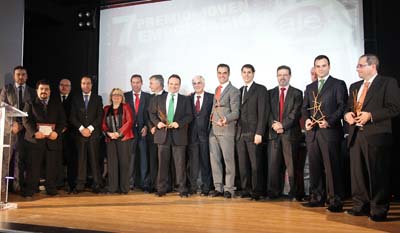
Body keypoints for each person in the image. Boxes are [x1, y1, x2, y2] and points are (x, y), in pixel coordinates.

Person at [344, 54, 400, 221]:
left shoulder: (388, 83)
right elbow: (348, 107)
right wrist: (347, 115)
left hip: (376, 136)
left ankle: (378, 210)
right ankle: (360, 206)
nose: (357, 68)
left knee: (377, 174)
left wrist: (371, 115)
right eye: (357, 66)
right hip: (356, 136)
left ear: (373, 66)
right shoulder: (354, 86)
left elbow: (395, 108)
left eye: (361, 65)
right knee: (357, 175)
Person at [301, 55, 348, 212]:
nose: (320, 69)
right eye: (318, 66)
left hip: (330, 132)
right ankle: (317, 198)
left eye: (323, 65)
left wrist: (330, 121)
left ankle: (335, 201)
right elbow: (304, 108)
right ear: (314, 68)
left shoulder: (338, 84)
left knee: (332, 168)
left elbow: (342, 107)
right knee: (314, 167)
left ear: (329, 66)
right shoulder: (310, 87)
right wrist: (307, 120)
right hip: (313, 134)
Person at [149, 74, 192, 197]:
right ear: (168, 84)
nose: (174, 86)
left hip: (179, 136)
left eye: (176, 84)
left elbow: (189, 116)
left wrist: (179, 123)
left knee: (180, 166)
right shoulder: (158, 98)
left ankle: (182, 189)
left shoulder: (185, 100)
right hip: (163, 136)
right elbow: (152, 114)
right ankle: (161, 189)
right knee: (162, 164)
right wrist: (157, 124)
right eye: (171, 84)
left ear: (179, 86)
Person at [22, 79, 66, 197]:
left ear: (50, 91)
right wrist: (34, 132)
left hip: (52, 140)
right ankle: (31, 189)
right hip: (35, 140)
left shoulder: (56, 103)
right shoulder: (30, 102)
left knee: (51, 167)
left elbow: (62, 121)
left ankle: (51, 188)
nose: (44, 91)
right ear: (37, 90)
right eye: (41, 89)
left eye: (46, 89)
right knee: (33, 166)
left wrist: (57, 132)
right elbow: (26, 120)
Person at [267, 65, 302, 200]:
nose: (282, 77)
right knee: (273, 165)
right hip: (274, 134)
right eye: (280, 75)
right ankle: (273, 193)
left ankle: (294, 193)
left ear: (290, 76)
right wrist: (274, 125)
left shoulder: (297, 93)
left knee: (292, 166)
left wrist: (282, 125)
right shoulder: (270, 93)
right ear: (277, 77)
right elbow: (268, 113)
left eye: (285, 74)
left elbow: (295, 113)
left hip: (290, 134)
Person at [0, 66, 36, 193]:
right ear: (14, 76)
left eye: (23, 74)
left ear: (26, 76)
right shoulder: (7, 89)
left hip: (25, 132)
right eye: (18, 74)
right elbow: (2, 108)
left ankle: (17, 187)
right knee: (5, 160)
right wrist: (12, 125)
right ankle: (2, 188)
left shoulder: (32, 91)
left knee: (20, 161)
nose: (21, 77)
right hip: (9, 131)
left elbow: (33, 112)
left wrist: (23, 125)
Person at [236, 64, 268, 200]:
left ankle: (256, 191)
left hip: (254, 133)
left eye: (249, 72)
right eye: (244, 72)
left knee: (255, 165)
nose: (247, 74)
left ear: (253, 74)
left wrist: (259, 132)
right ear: (241, 74)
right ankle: (246, 189)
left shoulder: (260, 89)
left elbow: (263, 113)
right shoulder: (240, 90)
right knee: (243, 165)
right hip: (240, 133)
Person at [209, 64, 240, 199]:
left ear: (229, 74)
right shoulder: (217, 89)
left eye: (224, 73)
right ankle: (218, 187)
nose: (222, 75)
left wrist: (226, 119)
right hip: (213, 130)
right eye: (219, 73)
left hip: (226, 130)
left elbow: (236, 112)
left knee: (228, 161)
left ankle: (229, 189)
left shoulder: (234, 91)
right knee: (215, 161)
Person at [70, 76, 103, 193]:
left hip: (93, 134)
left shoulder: (98, 98)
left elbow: (99, 116)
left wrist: (89, 129)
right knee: (81, 160)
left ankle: (97, 184)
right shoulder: (75, 98)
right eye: (83, 83)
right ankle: (80, 185)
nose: (86, 85)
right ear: (80, 85)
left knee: (94, 159)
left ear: (91, 85)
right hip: (79, 134)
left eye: (88, 83)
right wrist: (81, 129)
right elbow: (72, 116)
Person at [102, 88, 134, 194]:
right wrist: (109, 133)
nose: (116, 97)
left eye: (119, 95)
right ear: (111, 97)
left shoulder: (126, 107)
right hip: (110, 139)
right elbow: (103, 124)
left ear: (122, 97)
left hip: (123, 139)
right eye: (114, 95)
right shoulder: (106, 109)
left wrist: (118, 133)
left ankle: (124, 188)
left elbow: (129, 122)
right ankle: (112, 188)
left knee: (124, 163)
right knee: (112, 164)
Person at [124, 74, 151, 192]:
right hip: (129, 132)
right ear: (131, 83)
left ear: (142, 83)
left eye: (138, 82)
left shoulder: (148, 97)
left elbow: (151, 114)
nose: (136, 84)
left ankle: (144, 183)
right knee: (131, 157)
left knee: (144, 158)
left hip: (143, 131)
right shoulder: (125, 96)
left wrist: (147, 126)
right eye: (133, 82)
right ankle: (130, 183)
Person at [187, 75, 214, 196]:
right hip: (192, 136)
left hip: (206, 135)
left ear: (203, 84)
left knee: (205, 162)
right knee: (193, 163)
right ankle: (193, 187)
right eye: (194, 83)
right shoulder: (188, 98)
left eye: (199, 83)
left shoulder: (211, 97)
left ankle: (206, 188)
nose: (197, 85)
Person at [146, 74, 167, 193]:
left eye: (151, 83)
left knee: (163, 161)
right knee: (153, 160)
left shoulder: (168, 96)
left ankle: (165, 185)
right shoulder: (150, 98)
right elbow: (148, 114)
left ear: (159, 84)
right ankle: (154, 185)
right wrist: (151, 126)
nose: (150, 86)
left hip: (164, 134)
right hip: (153, 134)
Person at [56, 78, 76, 192]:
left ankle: (71, 183)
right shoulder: (54, 98)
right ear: (59, 86)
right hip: (57, 134)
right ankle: (58, 182)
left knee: (71, 160)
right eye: (62, 85)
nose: (64, 87)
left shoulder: (75, 99)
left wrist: (66, 127)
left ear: (70, 87)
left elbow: (75, 116)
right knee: (57, 160)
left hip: (71, 134)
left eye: (67, 85)